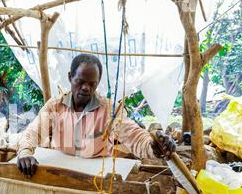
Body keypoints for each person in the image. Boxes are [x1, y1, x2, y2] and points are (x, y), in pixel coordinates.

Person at [17, 54, 176, 177]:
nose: (85, 88)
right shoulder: (55, 106)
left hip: (96, 176)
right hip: (60, 170)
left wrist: (153, 146)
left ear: (98, 83)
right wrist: (25, 152)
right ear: (70, 78)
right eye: (80, 81)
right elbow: (33, 132)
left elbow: (133, 135)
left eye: (92, 84)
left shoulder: (109, 110)